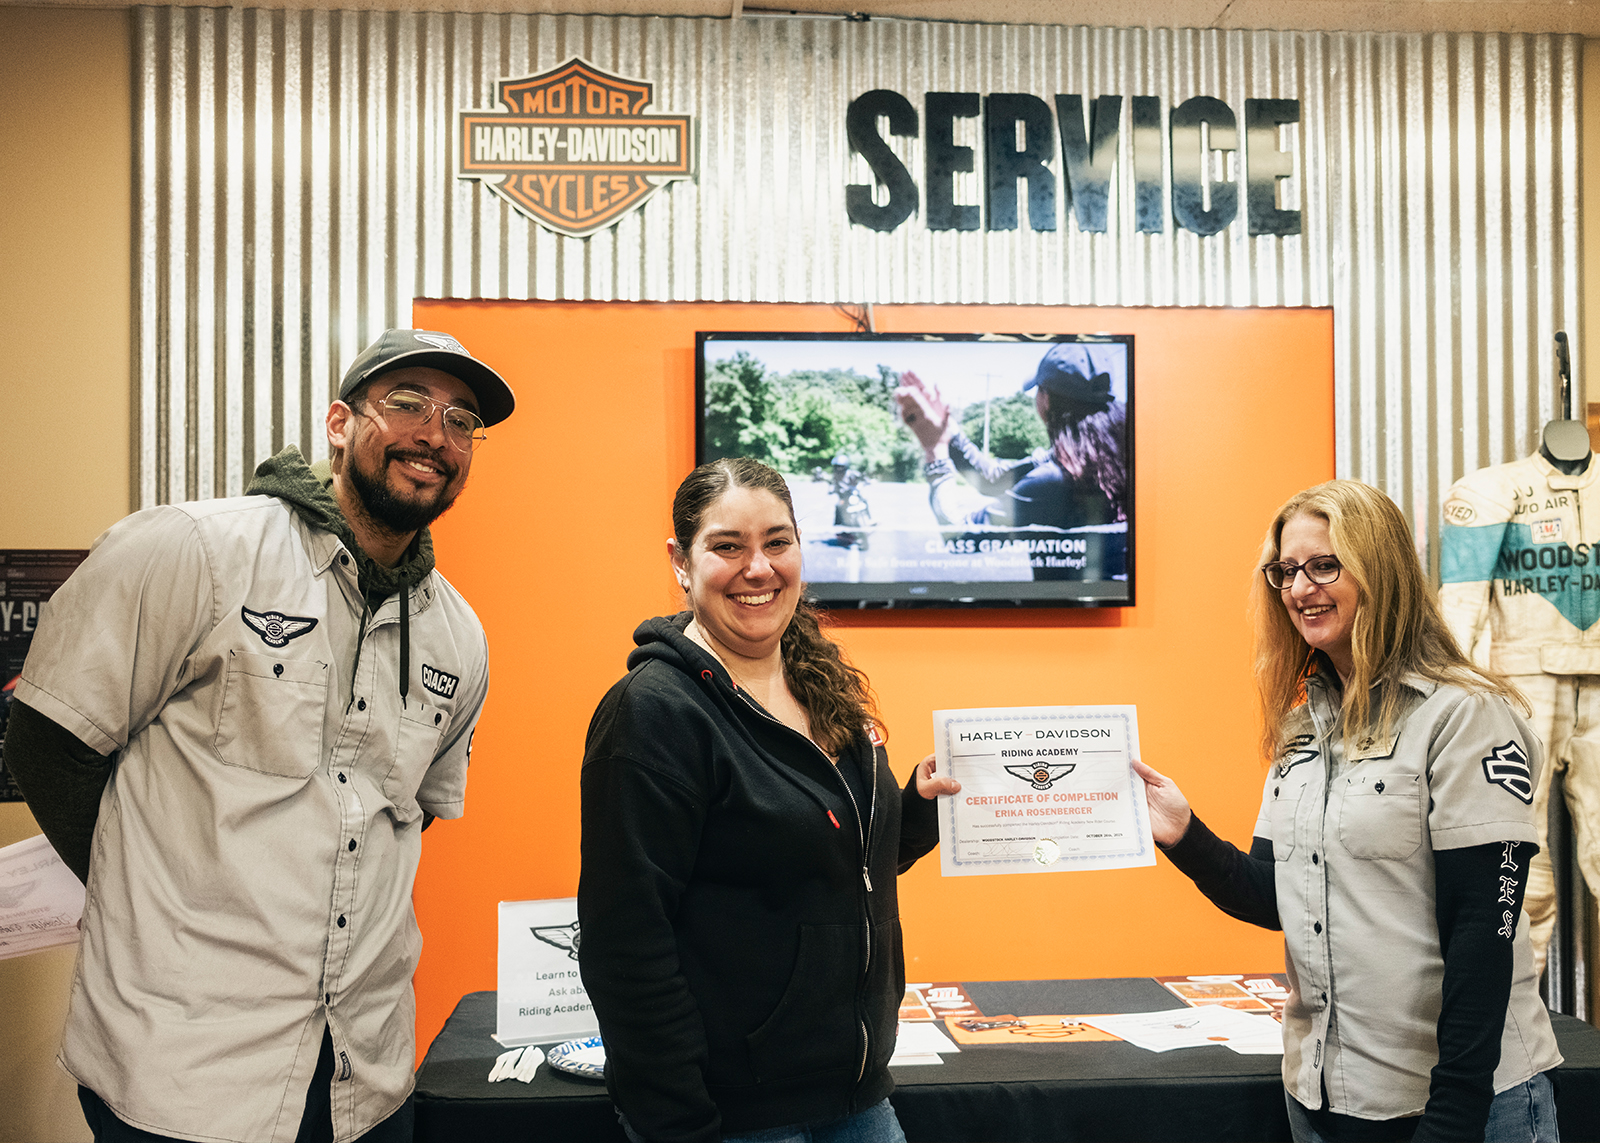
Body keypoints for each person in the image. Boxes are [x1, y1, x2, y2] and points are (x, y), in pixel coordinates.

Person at [4, 328, 515, 1143]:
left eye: (462, 421)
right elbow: (46, 740)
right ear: (340, 423)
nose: (434, 434)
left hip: (365, 1075)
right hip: (184, 1071)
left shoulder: (459, 636)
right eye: (409, 403)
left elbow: (411, 812)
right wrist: (143, 902)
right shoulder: (194, 549)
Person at [1134, 480, 1562, 1143]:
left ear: (1380, 567)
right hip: (1325, 1098)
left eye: (1324, 565)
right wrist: (1185, 834)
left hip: (1456, 1106)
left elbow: (1485, 928)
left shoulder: (1465, 714)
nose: (1301, 587)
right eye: (1286, 570)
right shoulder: (1305, 725)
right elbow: (1276, 894)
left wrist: (1451, 1120)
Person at [577, 456, 959, 1143]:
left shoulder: (821, 680)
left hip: (857, 1096)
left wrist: (916, 807)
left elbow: (831, 862)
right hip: (732, 1117)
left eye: (777, 542)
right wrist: (677, 1123)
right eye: (728, 546)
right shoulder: (654, 712)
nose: (758, 568)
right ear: (681, 561)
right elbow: (625, 942)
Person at [893, 342, 1127, 532]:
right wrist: (948, 431)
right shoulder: (1125, 461)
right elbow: (994, 478)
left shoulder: (1053, 479)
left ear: (1046, 400)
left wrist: (935, 450)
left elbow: (960, 535)